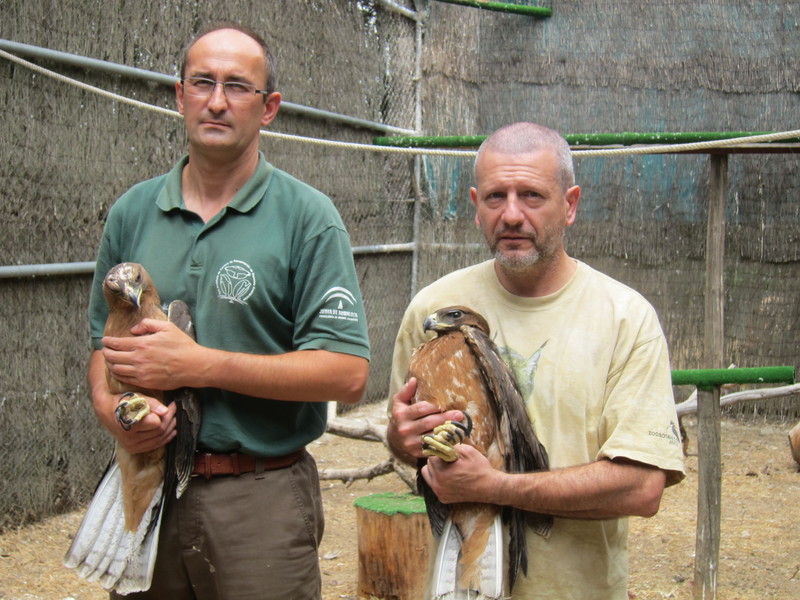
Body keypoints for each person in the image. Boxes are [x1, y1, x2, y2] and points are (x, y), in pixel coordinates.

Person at [87, 23, 370, 599]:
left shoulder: (308, 218)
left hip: (258, 497)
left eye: (238, 87)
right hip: (147, 485)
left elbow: (347, 372)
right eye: (203, 83)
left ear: (269, 108)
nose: (217, 101)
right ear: (179, 95)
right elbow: (104, 348)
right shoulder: (132, 213)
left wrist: (196, 365)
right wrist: (114, 411)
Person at [387, 122, 685, 599]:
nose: (511, 214)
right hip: (461, 580)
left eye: (531, 195)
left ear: (569, 204)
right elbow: (410, 448)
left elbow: (642, 487)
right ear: (474, 205)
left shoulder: (624, 318)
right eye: (494, 197)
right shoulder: (433, 310)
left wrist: (494, 486)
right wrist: (401, 437)